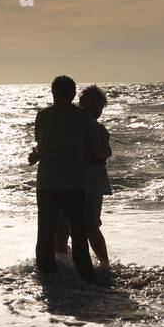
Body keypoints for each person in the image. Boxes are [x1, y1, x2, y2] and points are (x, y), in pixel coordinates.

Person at [28, 75, 106, 283]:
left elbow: (42, 145)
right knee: (79, 233)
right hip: (74, 182)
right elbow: (93, 147)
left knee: (45, 232)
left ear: (53, 93)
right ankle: (86, 277)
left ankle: (47, 276)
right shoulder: (82, 117)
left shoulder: (42, 116)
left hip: (47, 183)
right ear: (73, 94)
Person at [54, 85, 112, 270]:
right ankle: (64, 264)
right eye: (92, 108)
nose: (96, 112)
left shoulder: (99, 130)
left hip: (92, 181)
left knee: (90, 226)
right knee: (64, 225)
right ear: (81, 106)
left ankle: (104, 265)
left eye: (99, 109)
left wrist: (88, 153)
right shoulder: (69, 127)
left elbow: (105, 152)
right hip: (71, 180)